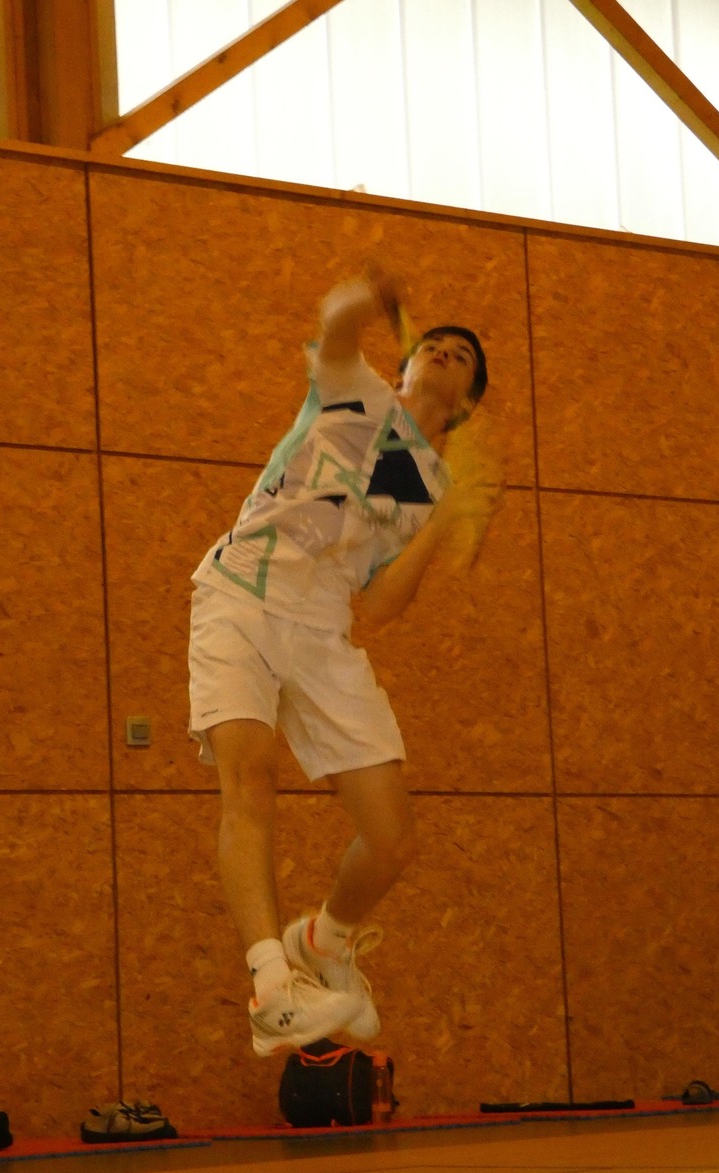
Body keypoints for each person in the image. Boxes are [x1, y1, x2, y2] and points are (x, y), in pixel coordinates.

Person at [188, 268, 498, 1057]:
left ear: (465, 403)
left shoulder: (426, 484)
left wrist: (445, 520)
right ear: (404, 364)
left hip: (322, 629)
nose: (445, 352)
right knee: (249, 777)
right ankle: (271, 988)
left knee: (392, 839)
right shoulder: (352, 392)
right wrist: (372, 293)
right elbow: (335, 322)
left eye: (462, 356)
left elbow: (383, 603)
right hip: (242, 591)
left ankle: (324, 941)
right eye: (434, 344)